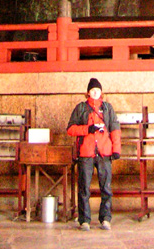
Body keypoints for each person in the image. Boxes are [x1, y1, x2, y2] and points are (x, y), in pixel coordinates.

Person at [67, 78, 121, 230]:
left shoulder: (108, 108)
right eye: (92, 90)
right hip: (86, 153)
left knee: (106, 187)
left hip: (104, 152)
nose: (95, 92)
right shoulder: (81, 108)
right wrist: (86, 129)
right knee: (84, 187)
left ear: (101, 92)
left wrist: (116, 149)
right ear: (88, 92)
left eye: (97, 90)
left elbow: (115, 128)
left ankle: (105, 219)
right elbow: (70, 129)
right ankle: (84, 220)